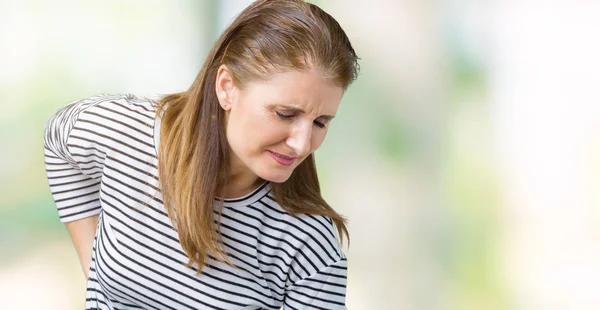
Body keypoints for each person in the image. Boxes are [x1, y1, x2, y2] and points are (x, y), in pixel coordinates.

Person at [43, 0, 359, 309]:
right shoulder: (124, 135)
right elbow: (57, 137)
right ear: (226, 87)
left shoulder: (308, 243)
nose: (303, 144)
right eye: (285, 114)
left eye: (320, 122)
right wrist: (94, 267)